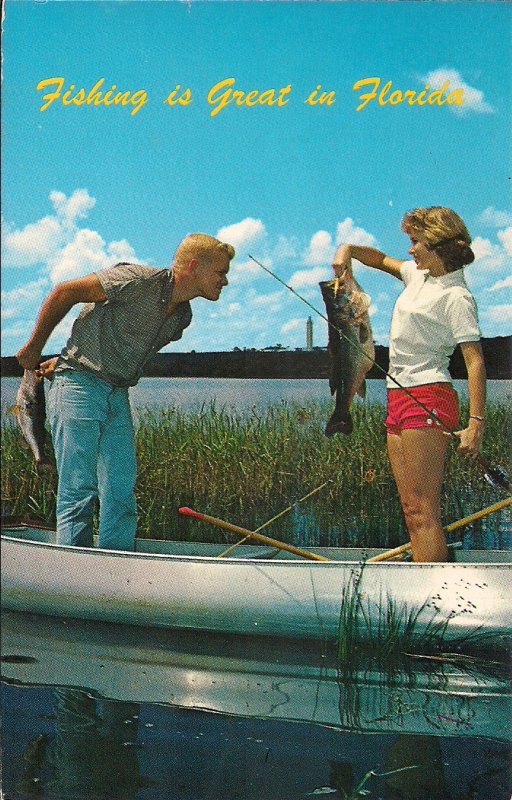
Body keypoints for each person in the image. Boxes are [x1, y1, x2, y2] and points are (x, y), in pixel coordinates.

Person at [16, 233, 235, 550]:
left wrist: (62, 361)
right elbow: (66, 292)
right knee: (79, 488)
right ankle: (74, 571)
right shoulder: (136, 279)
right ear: (194, 266)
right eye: (221, 272)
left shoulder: (182, 317)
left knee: (120, 490)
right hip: (78, 384)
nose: (225, 281)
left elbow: (120, 344)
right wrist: (33, 350)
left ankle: (115, 565)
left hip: (116, 393)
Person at [332, 207, 486, 562]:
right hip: (397, 395)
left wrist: (476, 426)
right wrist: (347, 251)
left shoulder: (457, 296)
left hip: (429, 395)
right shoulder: (416, 275)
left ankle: (435, 592)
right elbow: (379, 259)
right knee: (410, 509)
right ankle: (424, 580)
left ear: (437, 244)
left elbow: (474, 361)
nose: (410, 250)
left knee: (424, 510)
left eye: (416, 242)